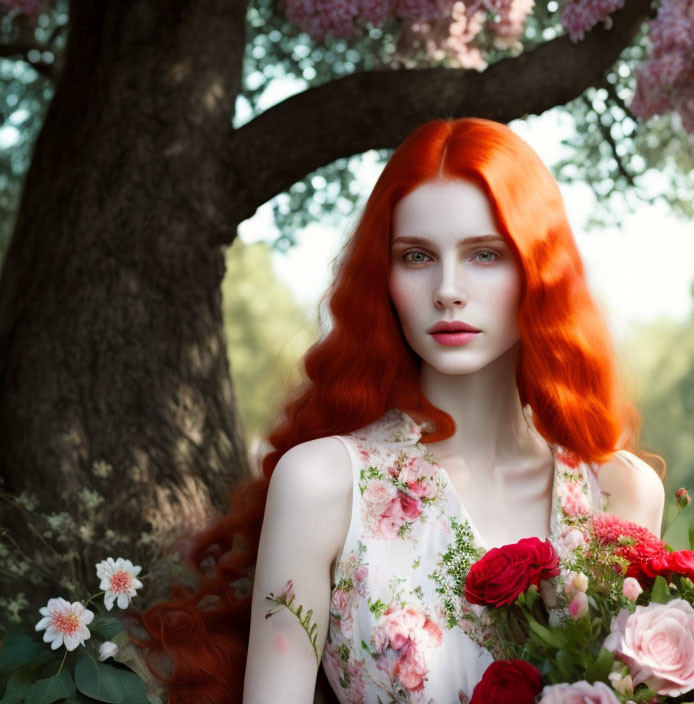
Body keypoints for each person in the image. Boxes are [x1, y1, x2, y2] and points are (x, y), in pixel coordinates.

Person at [139, 117, 665, 704]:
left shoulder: (620, 492)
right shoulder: (324, 483)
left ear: (539, 271)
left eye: (485, 254)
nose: (447, 289)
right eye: (416, 256)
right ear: (381, 278)